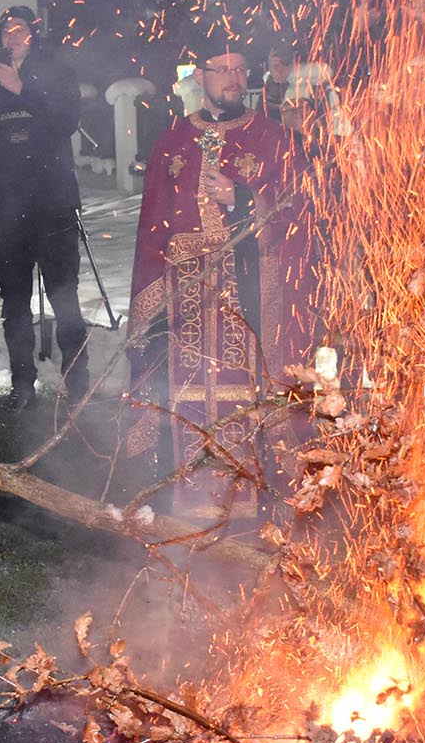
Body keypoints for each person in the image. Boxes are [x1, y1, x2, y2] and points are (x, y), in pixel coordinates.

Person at [125, 33, 314, 523]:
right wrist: (153, 305)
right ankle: (184, 502)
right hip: (187, 302)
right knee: (182, 394)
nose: (233, 78)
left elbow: (301, 212)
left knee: (250, 395)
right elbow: (151, 230)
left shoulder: (273, 138)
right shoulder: (172, 144)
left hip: (250, 297)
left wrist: (244, 201)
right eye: (222, 69)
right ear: (201, 76)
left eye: (240, 69)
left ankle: (255, 504)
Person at [0, 6, 88, 410]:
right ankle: (23, 383)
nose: (12, 36)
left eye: (20, 29)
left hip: (52, 203)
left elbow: (66, 122)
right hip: (8, 207)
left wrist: (23, 89)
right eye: (6, 30)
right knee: (14, 302)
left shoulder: (57, 74)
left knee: (64, 296)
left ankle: (78, 382)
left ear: (34, 35)